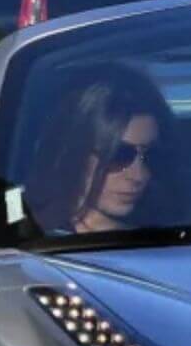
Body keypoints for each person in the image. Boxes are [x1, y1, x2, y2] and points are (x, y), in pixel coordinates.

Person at [24, 66, 170, 234]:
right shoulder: (20, 231)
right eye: (118, 155)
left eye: (151, 155)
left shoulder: (174, 230)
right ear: (73, 153)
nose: (139, 175)